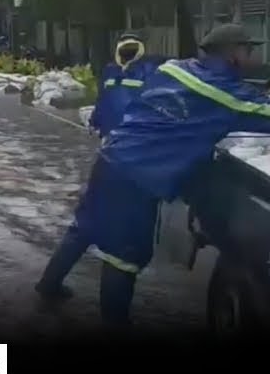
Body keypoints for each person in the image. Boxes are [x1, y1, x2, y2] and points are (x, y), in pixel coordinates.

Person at [35, 24, 270, 326]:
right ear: (233, 55)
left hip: (111, 158)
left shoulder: (174, 69)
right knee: (125, 256)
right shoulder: (223, 93)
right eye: (248, 50)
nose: (253, 56)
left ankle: (48, 285)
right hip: (137, 178)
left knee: (85, 226)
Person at [88, 32, 165, 140]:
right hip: (110, 133)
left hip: (136, 134)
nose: (128, 50)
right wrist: (94, 122)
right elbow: (102, 100)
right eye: (125, 47)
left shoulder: (148, 70)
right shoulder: (110, 71)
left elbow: (157, 101)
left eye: (133, 47)